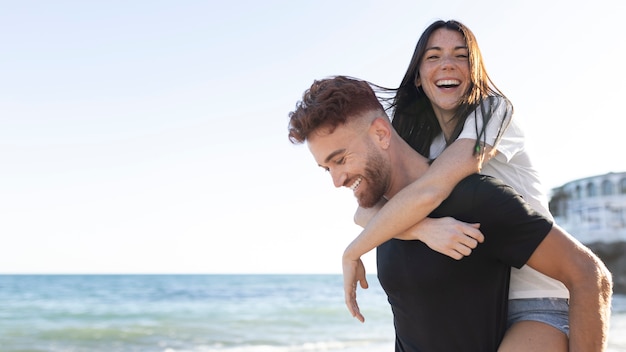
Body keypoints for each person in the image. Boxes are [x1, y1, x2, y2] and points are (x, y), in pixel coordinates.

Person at [287, 76, 612, 351]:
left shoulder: (473, 197)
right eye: (325, 167)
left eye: (341, 159)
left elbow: (590, 276)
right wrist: (420, 229)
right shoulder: (382, 218)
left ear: (382, 134)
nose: (336, 181)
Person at [346, 20, 578, 351]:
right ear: (418, 76)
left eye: (461, 55)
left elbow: (436, 186)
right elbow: (365, 211)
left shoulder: (494, 113)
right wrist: (423, 229)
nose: (447, 65)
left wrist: (354, 251)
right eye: (433, 56)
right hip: (472, 305)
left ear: (474, 69)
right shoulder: (425, 145)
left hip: (534, 299)